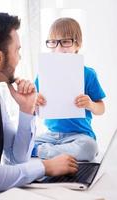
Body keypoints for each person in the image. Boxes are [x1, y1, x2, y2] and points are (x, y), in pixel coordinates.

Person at [0, 12, 78, 194]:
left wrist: (26, 109)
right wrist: (44, 167)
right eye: (17, 50)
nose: (19, 58)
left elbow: (17, 157)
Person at [32, 17, 106, 161]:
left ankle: (44, 152)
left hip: (80, 136)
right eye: (53, 42)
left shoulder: (88, 74)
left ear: (77, 45)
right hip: (51, 136)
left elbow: (101, 109)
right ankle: (50, 151)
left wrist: (90, 104)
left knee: (90, 148)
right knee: (22, 145)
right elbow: (34, 110)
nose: (59, 48)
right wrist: (35, 103)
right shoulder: (43, 73)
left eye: (65, 42)